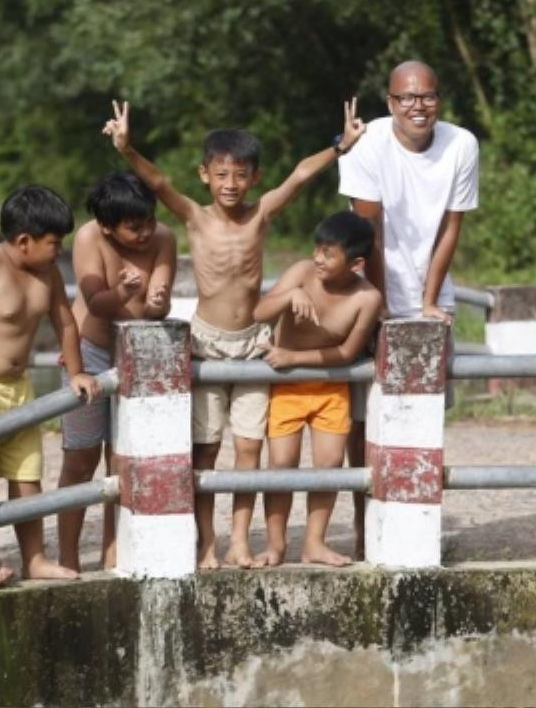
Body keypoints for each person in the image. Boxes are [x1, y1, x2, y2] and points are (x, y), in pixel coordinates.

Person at [103, 98, 366, 568]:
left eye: (240, 175)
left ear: (254, 178)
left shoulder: (260, 214)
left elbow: (301, 175)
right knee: (205, 449)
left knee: (250, 447)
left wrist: (339, 146)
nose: (230, 184)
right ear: (205, 175)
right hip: (205, 342)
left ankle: (240, 540)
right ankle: (206, 542)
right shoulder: (194, 217)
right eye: (221, 175)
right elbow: (158, 181)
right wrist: (126, 149)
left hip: (252, 344)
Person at [338, 60, 479, 557]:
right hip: (370, 286)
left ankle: (417, 526)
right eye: (406, 98)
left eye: (427, 96)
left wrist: (426, 301)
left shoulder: (461, 144)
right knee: (363, 416)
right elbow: (366, 234)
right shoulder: (367, 143)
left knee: (422, 414)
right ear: (391, 102)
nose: (418, 106)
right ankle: (362, 523)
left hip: (430, 291)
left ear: (438, 99)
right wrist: (378, 307)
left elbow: (450, 228)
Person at [0, 185, 101, 586]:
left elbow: (66, 322)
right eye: (54, 243)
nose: (58, 250)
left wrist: (79, 371)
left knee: (26, 476)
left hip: (20, 389)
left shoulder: (46, 272)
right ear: (24, 241)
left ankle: (35, 559)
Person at [57, 171, 177, 572]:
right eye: (134, 227)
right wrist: (126, 293)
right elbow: (96, 302)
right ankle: (68, 555)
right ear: (108, 228)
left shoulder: (164, 238)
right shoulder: (90, 238)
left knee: (123, 461)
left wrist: (157, 300)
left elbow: (158, 303)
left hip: (136, 357)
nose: (145, 233)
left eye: (148, 221)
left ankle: (115, 551)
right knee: (81, 458)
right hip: (90, 352)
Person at [252, 211, 382, 567]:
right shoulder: (300, 273)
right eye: (318, 249)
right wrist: (289, 295)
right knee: (282, 465)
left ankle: (314, 543)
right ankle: (275, 546)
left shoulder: (367, 298)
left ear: (356, 263)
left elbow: (347, 352)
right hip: (287, 388)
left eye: (329, 254)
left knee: (328, 465)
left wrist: (293, 356)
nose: (318, 259)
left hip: (330, 389)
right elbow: (259, 312)